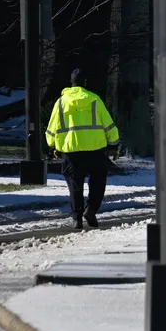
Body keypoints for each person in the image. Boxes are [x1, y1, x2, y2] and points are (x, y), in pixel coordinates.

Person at [46, 69, 119, 229]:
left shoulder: (61, 102)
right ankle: (91, 209)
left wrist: (53, 146)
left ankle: (76, 217)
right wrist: (113, 145)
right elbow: (109, 125)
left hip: (70, 151)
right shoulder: (94, 100)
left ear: (71, 83)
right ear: (85, 84)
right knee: (98, 180)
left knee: (75, 184)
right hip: (95, 149)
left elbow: (52, 128)